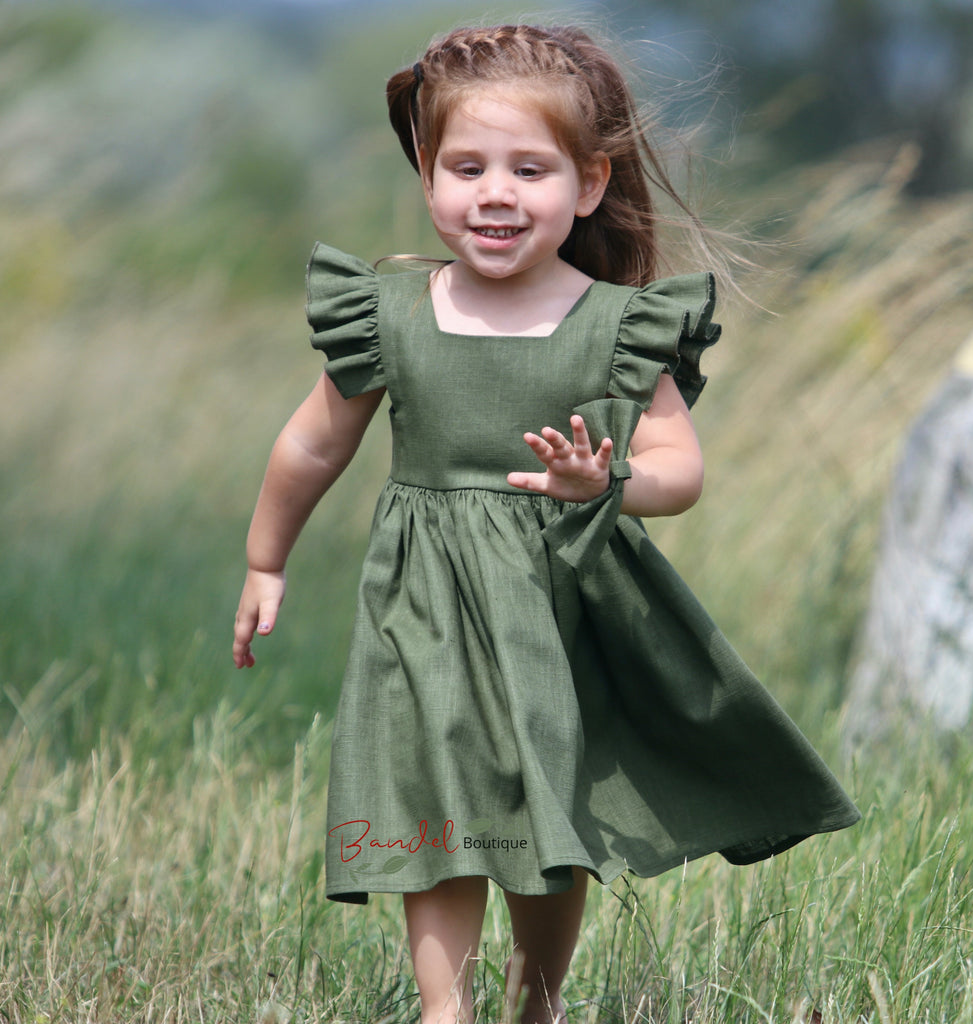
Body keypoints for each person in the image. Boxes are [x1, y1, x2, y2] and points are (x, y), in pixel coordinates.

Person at [233, 23, 860, 1024]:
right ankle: (446, 1008)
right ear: (428, 176)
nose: (493, 191)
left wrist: (603, 478)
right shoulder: (390, 313)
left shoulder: (615, 325)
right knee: (432, 796)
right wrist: (266, 561)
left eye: (528, 168)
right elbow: (311, 443)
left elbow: (677, 470)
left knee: (536, 811)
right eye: (464, 166)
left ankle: (539, 1001)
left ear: (589, 183)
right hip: (422, 601)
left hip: (554, 605)